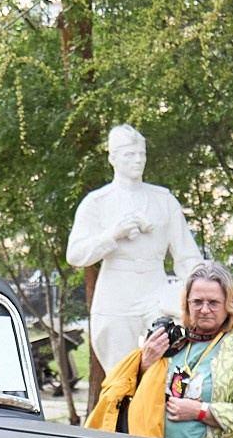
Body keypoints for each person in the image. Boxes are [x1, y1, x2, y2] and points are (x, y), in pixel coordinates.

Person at [65, 125, 201, 413]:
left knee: (163, 377)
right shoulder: (98, 203)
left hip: (155, 290)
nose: (137, 160)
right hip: (116, 294)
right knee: (120, 382)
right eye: (129, 154)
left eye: (141, 154)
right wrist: (112, 234)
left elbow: (187, 256)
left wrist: (202, 294)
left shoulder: (163, 199)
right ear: (113, 158)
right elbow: (76, 254)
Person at [84, 260, 233, 438]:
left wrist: (201, 411)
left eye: (213, 303)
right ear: (187, 303)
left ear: (228, 304)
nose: (205, 310)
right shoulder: (172, 342)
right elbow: (124, 398)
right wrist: (145, 365)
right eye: (197, 302)